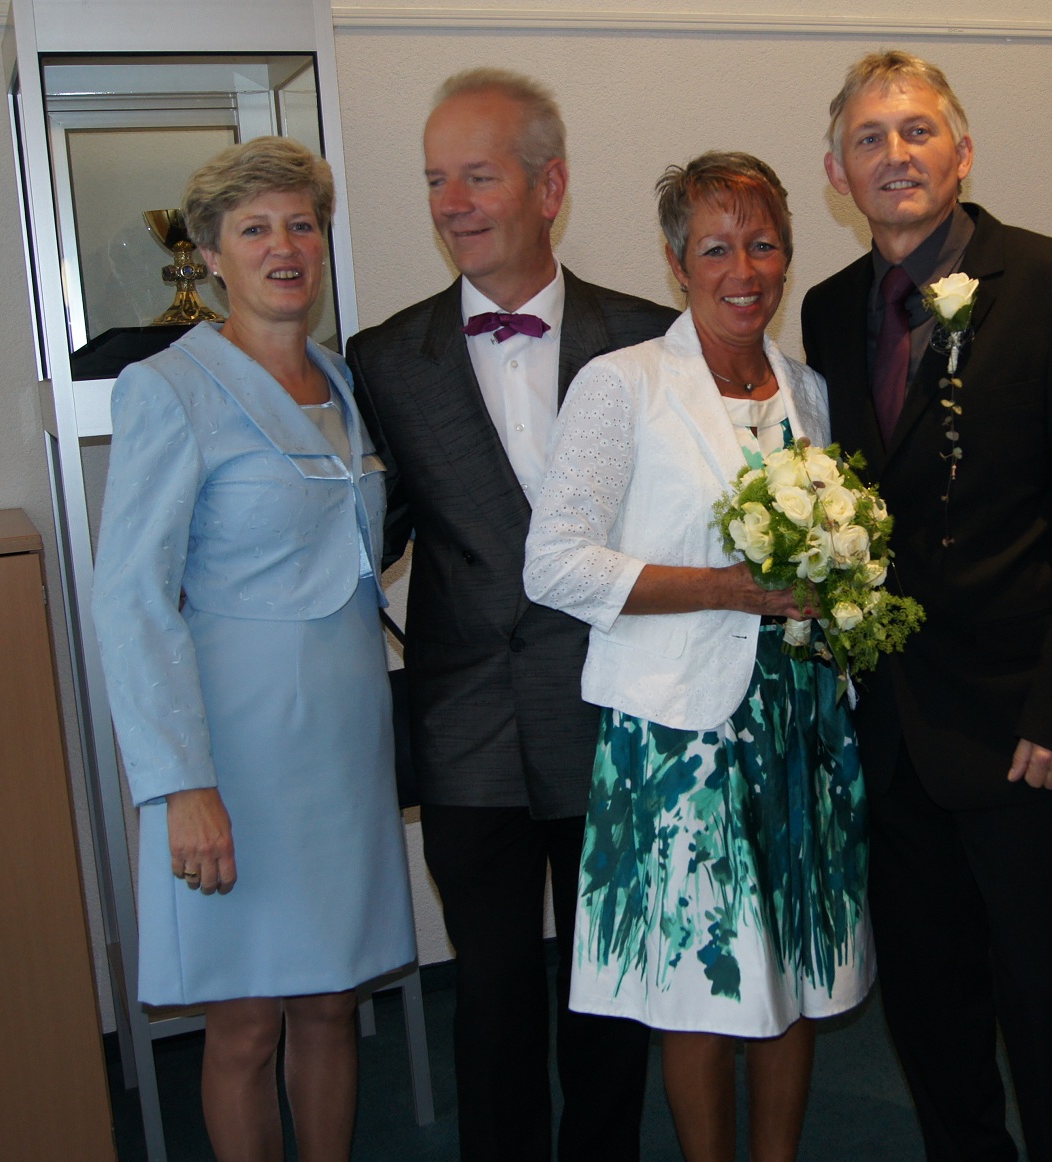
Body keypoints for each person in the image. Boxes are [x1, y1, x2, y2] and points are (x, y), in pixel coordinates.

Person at [801, 50, 1052, 1161]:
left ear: (961, 153)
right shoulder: (826, 311)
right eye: (868, 138)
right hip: (892, 730)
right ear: (837, 173)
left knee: (1046, 1002)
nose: (893, 154)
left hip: (1020, 730)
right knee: (929, 1003)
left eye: (915, 130)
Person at [345, 69, 677, 1162]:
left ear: (551, 186)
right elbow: (370, 534)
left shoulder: (650, 340)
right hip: (469, 723)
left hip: (613, 710)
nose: (451, 204)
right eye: (435, 181)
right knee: (489, 997)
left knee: (610, 987)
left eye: (477, 176)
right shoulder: (383, 358)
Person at [524, 151, 874, 1162]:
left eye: (762, 245)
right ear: (678, 265)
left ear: (788, 257)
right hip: (682, 735)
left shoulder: (807, 390)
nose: (742, 269)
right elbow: (555, 563)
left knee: (796, 970)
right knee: (701, 983)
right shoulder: (622, 384)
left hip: (801, 720)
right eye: (715, 248)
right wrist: (722, 588)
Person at [91, 136, 417, 1162]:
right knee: (243, 1020)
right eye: (255, 229)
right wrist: (180, 784)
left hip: (342, 740)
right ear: (211, 255)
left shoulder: (343, 379)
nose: (284, 247)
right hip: (232, 751)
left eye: (301, 225)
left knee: (330, 998)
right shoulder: (168, 386)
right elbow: (130, 599)